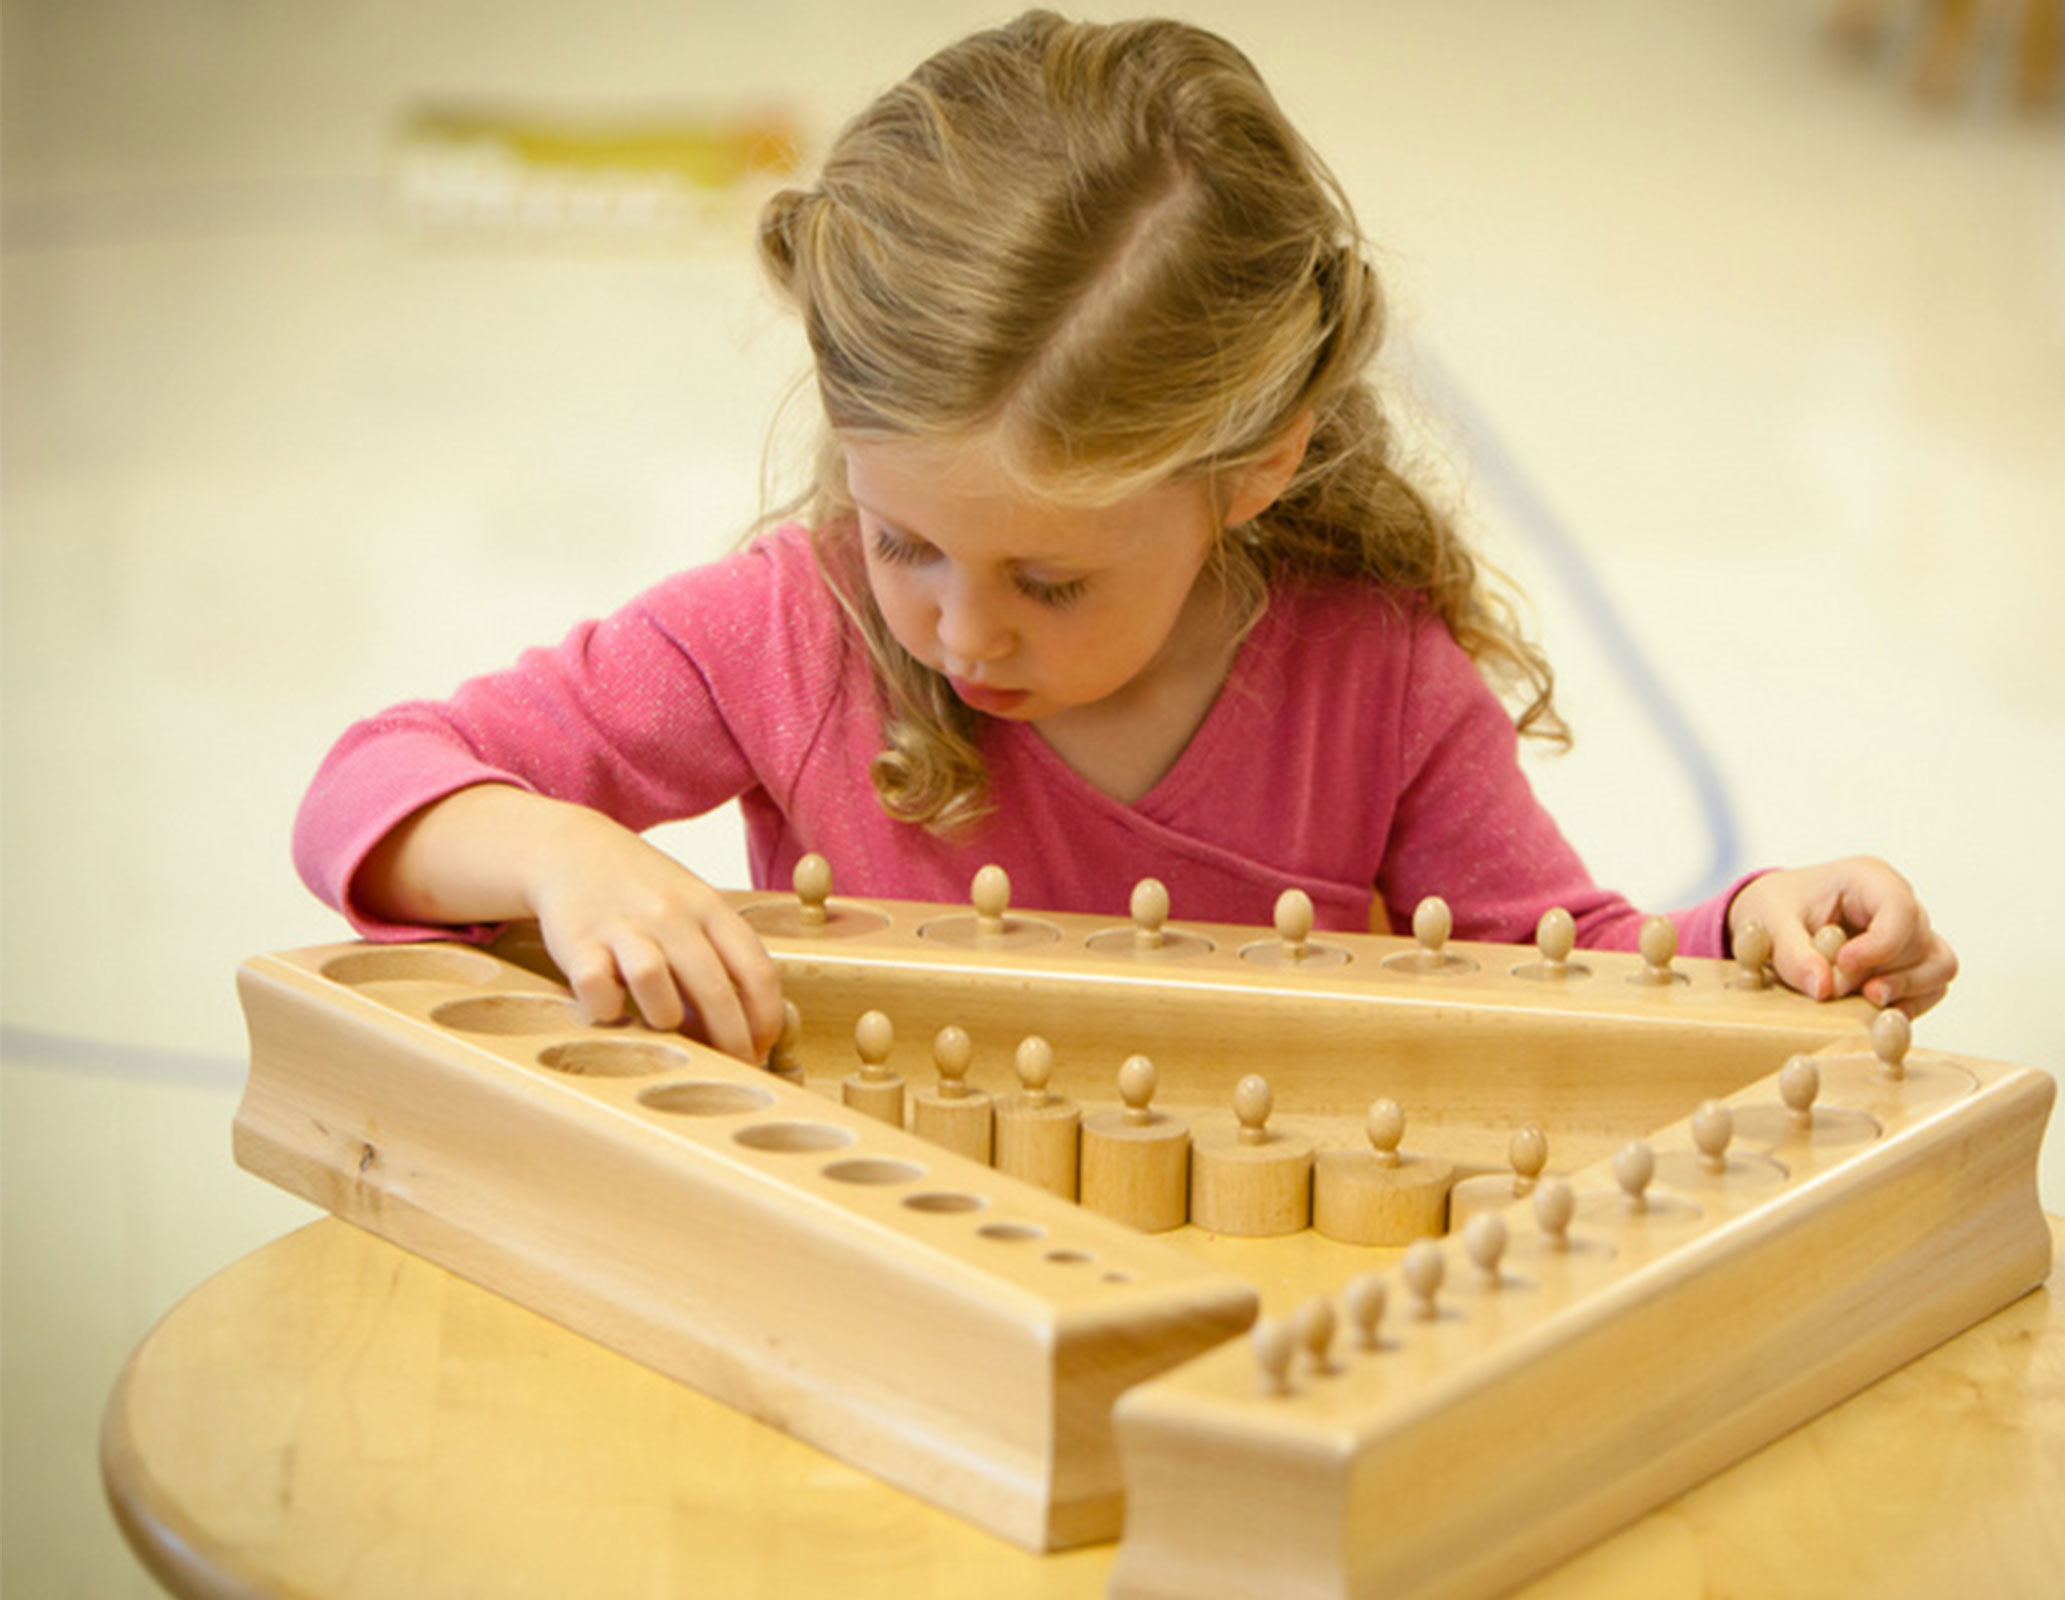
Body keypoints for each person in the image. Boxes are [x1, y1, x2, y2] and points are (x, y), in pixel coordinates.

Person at [294, 11, 1956, 1064]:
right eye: (907, 543)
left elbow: (1557, 970)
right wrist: (558, 849)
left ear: (1256, 467)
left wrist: (1755, 923)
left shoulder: (1371, 677)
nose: (959, 634)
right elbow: (376, 781)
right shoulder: (781, 636)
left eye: (1052, 577)